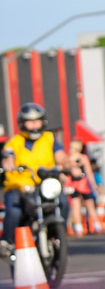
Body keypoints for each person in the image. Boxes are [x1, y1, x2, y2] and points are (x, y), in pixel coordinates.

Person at [1, 104, 69, 258]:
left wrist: (70, 165)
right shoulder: (14, 142)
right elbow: (8, 156)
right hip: (19, 185)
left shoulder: (50, 138)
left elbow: (61, 157)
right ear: (22, 123)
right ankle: (7, 242)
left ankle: (58, 236)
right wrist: (9, 164)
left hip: (44, 184)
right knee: (15, 210)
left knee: (63, 202)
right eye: (29, 122)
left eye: (37, 121)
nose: (34, 125)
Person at [65, 139, 104, 235]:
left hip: (73, 184)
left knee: (76, 206)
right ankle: (97, 226)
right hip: (83, 183)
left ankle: (79, 228)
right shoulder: (83, 158)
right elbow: (89, 172)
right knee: (90, 205)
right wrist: (94, 185)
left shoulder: (68, 159)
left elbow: (64, 172)